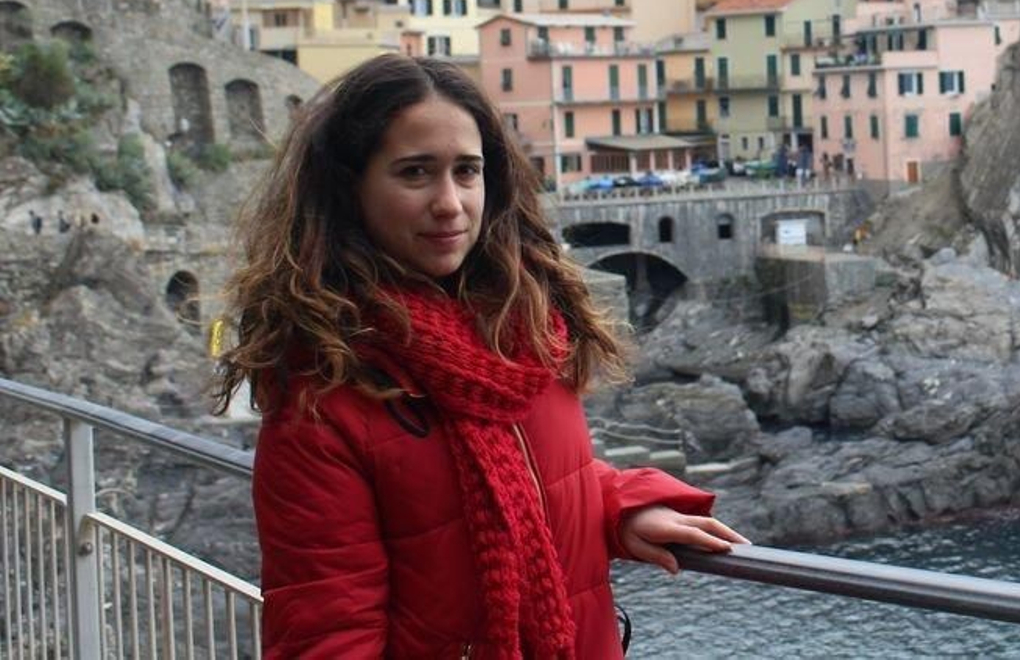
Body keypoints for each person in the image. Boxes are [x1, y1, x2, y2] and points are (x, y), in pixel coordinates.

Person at [213, 56, 746, 658]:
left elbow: (528, 477)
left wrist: (617, 505)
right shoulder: (323, 394)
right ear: (349, 188)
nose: (450, 202)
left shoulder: (523, 330)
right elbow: (328, 633)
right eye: (415, 173)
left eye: (466, 171)